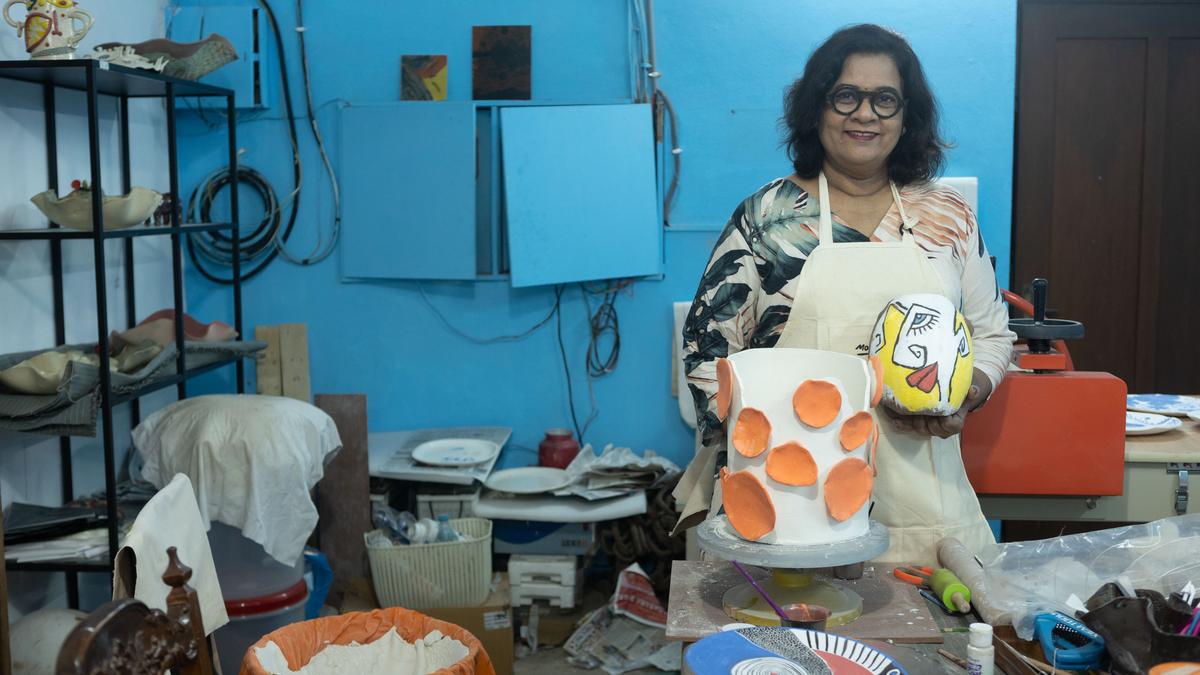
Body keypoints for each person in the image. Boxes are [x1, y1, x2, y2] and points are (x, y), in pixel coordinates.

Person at [674, 24, 1015, 562]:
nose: (865, 114)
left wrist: (966, 395)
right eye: (846, 96)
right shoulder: (766, 220)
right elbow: (705, 355)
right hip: (788, 506)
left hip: (922, 510)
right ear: (817, 109)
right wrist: (768, 441)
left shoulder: (948, 218)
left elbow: (993, 332)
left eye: (885, 100)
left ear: (907, 116)